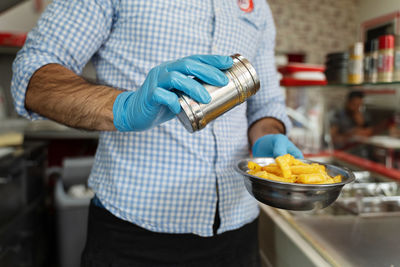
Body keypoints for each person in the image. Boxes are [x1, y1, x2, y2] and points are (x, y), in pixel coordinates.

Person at [11, 0, 302, 266]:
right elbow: (32, 74)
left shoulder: (257, 8)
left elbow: (266, 105)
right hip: (134, 234)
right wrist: (123, 107)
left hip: (238, 231)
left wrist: (266, 135)